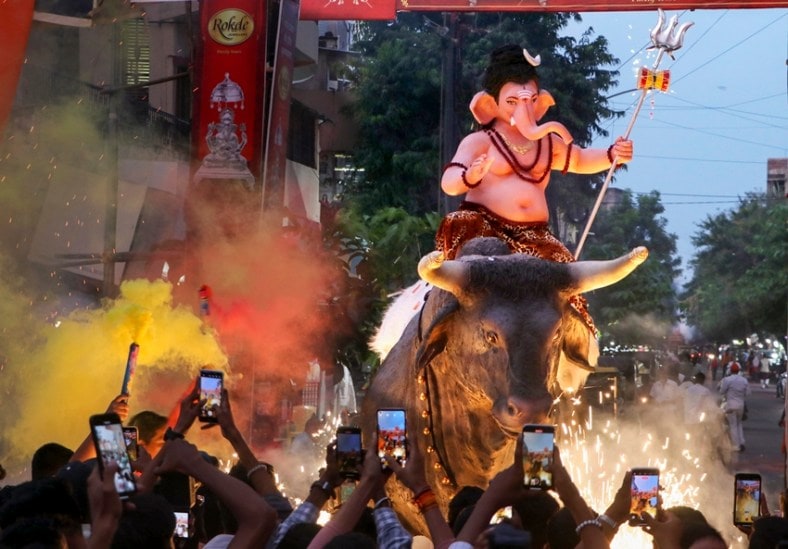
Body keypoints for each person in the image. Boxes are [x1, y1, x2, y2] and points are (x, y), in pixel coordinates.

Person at [436, 44, 633, 367]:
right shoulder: (480, 141)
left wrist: (612, 155)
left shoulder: (547, 143)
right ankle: (445, 329)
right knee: (467, 277)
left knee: (563, 283)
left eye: (528, 101)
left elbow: (580, 158)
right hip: (484, 228)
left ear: (540, 103)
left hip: (535, 237)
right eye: (512, 102)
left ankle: (571, 353)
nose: (521, 110)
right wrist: (471, 175)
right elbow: (450, 181)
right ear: (489, 105)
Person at [718, 362, 751, 452]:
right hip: (741, 405)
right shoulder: (744, 380)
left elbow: (721, 391)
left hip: (730, 405)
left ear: (730, 370)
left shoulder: (727, 380)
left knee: (733, 425)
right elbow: (748, 393)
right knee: (739, 424)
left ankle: (736, 445)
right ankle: (742, 442)